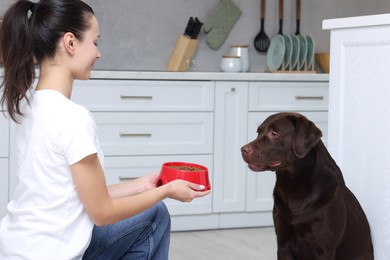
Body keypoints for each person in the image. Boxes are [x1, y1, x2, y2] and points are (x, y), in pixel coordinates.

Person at [0, 0, 210, 259]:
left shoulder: (31, 106)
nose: (98, 54)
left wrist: (141, 185)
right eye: (95, 42)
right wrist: (165, 191)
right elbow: (102, 212)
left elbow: (76, 196)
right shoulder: (73, 117)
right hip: (51, 253)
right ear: (71, 43)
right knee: (155, 214)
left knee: (151, 207)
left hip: (18, 247)